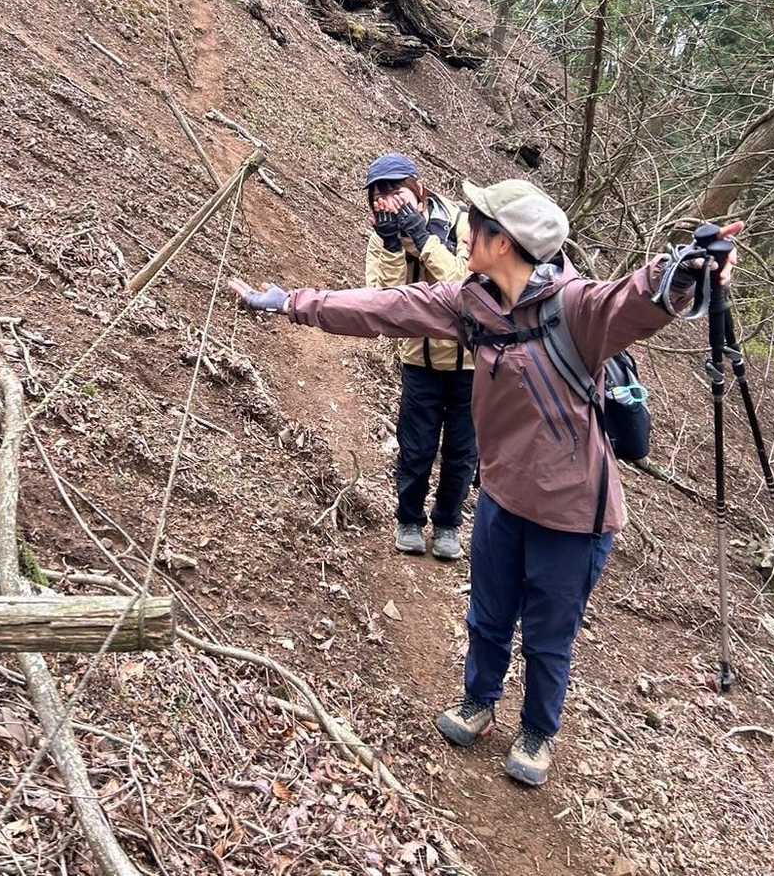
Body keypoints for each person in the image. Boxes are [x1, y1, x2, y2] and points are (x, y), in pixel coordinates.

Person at [230, 178, 740, 788]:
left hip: (574, 514)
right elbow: (384, 309)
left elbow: (634, 297)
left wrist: (686, 269)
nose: (463, 231)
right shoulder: (471, 302)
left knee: (548, 636)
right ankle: (479, 701)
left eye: (474, 223)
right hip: (502, 495)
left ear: (503, 242)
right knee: (489, 613)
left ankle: (538, 732)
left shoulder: (577, 308)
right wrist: (290, 301)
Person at [363, 153, 476, 561]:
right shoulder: (381, 238)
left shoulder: (461, 223)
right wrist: (394, 245)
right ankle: (408, 519)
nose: (388, 200)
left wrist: (423, 239)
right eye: (379, 194)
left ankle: (448, 524)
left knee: (461, 451)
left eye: (396, 190)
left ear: (418, 189)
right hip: (418, 359)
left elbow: (465, 287)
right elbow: (385, 303)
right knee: (416, 447)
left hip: (470, 364)